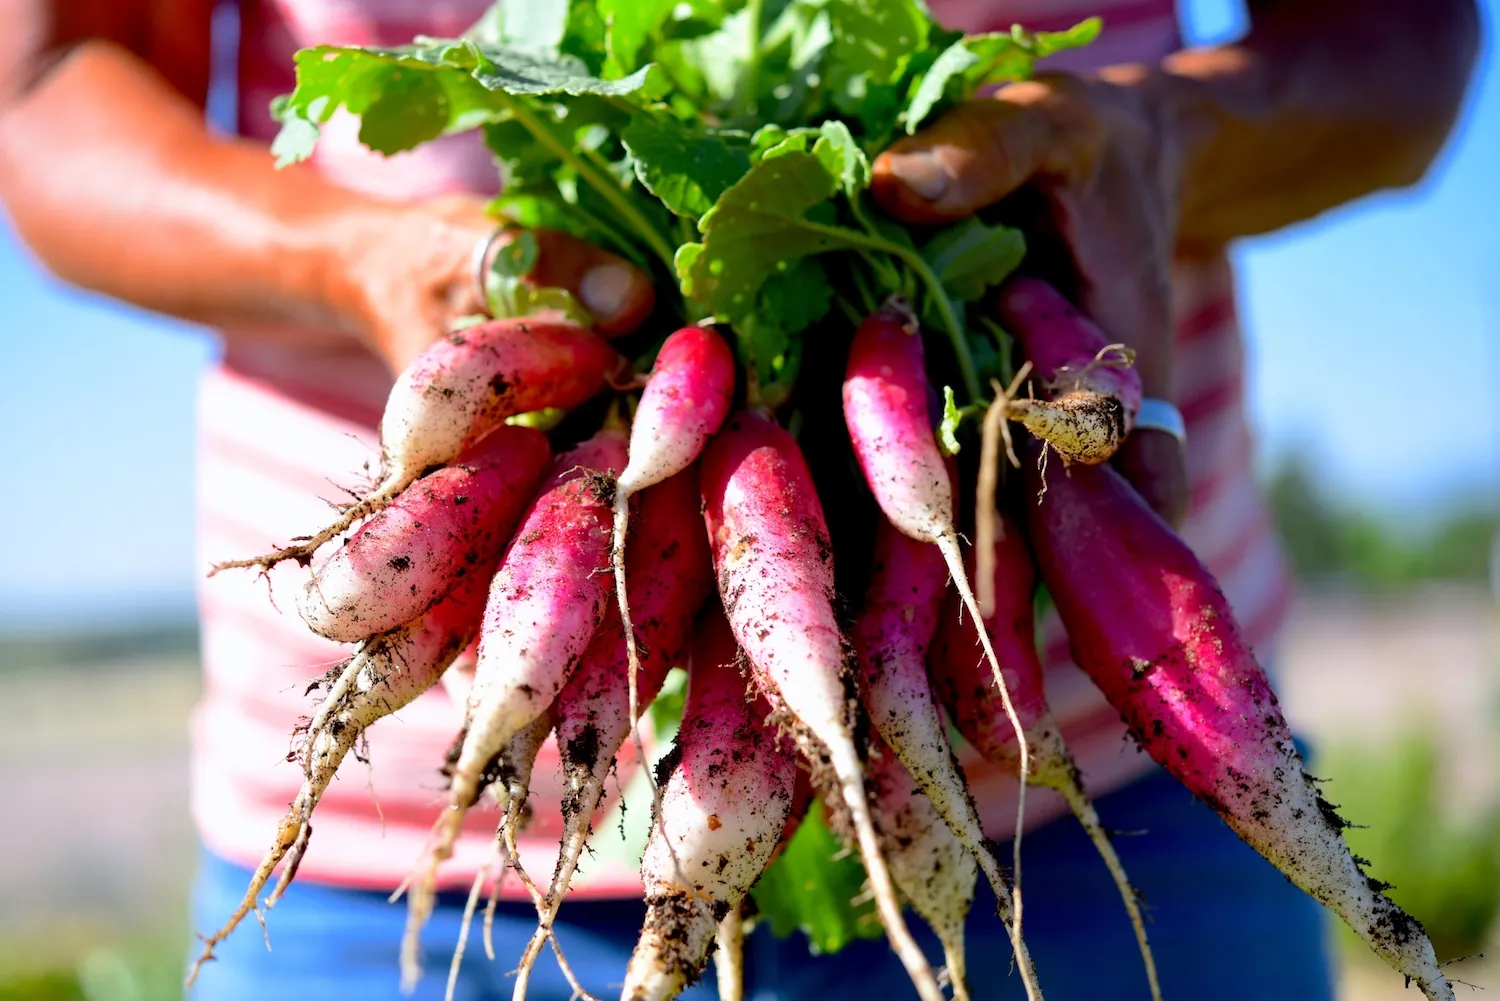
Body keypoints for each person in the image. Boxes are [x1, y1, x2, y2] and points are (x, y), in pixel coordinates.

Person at [0, 0, 1477, 998]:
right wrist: (356, 261)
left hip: (1106, 802)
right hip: (398, 889)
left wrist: (1166, 138)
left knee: (896, 577)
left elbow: (1399, 39)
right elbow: (49, 89)